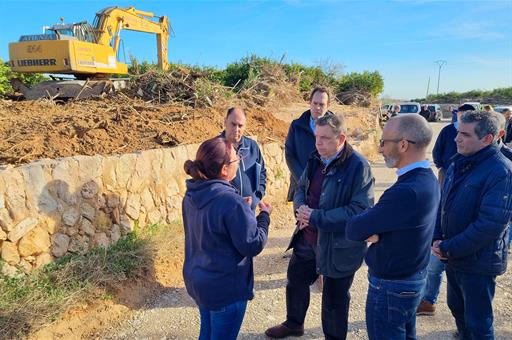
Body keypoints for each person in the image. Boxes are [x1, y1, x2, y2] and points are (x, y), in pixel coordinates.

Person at [266, 114, 374, 339]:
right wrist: (301, 210)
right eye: (317, 137)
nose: (318, 143)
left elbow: (358, 210)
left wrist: (316, 216)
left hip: (339, 245)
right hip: (308, 237)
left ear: (341, 138)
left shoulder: (359, 167)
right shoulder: (315, 157)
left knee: (334, 299)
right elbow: (300, 188)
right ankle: (294, 324)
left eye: (324, 138)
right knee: (295, 281)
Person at [346, 114, 440, 340]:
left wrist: (374, 226)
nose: (380, 149)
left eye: (383, 142)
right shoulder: (427, 178)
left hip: (392, 287)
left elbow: (354, 229)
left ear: (403, 144)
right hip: (410, 279)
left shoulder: (406, 191)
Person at [182, 137, 273, 340]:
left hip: (200, 282)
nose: (239, 161)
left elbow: (212, 224)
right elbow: (253, 244)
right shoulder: (231, 202)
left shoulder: (192, 195)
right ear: (224, 170)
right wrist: (264, 217)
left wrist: (240, 208)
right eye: (235, 159)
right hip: (225, 289)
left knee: (206, 334)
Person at [432, 110, 512, 339]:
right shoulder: (459, 161)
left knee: (478, 321)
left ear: (488, 139)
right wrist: (437, 238)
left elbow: (490, 225)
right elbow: (443, 203)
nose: (456, 138)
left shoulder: (502, 171)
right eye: (458, 132)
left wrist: (448, 247)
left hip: (478, 262)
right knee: (457, 309)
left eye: (464, 134)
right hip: (453, 256)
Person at [284, 86, 333, 202]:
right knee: (302, 218)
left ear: (328, 105)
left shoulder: (335, 128)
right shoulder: (296, 126)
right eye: (315, 103)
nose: (317, 107)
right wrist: (303, 180)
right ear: (309, 103)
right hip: (301, 187)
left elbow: (341, 154)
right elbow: (290, 155)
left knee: (324, 219)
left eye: (322, 104)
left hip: (328, 187)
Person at [221, 107, 267, 211]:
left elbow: (262, 173)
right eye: (233, 124)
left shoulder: (252, 147)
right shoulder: (215, 148)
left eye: (240, 125)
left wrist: (258, 196)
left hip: (249, 212)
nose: (236, 129)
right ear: (225, 122)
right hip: (225, 212)